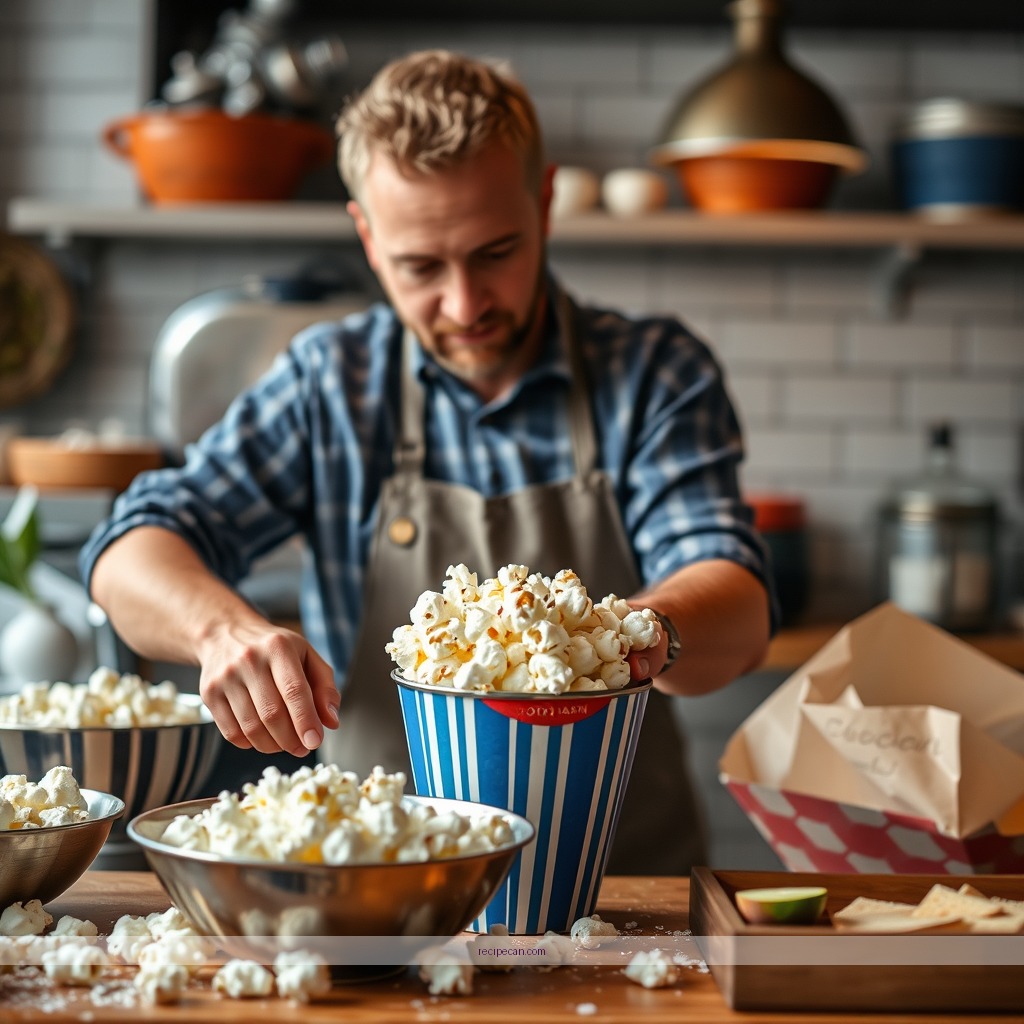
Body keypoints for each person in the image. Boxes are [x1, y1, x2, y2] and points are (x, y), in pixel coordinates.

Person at [80, 49, 774, 874]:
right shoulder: (330, 384)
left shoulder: (653, 372)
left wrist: (633, 635)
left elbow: (736, 596)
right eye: (420, 266)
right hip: (380, 886)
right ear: (369, 238)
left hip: (621, 886)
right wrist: (220, 629)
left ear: (545, 204)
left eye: (495, 251)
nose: (464, 304)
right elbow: (131, 547)